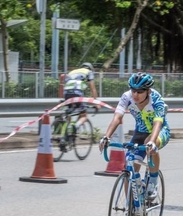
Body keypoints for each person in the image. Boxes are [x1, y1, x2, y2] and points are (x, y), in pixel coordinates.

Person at [99, 72, 170, 202]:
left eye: (140, 91)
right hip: (140, 133)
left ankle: (153, 181)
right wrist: (106, 137)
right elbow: (117, 117)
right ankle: (130, 207)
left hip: (159, 131)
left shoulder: (156, 99)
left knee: (150, 143)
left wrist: (152, 142)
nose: (135, 94)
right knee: (129, 167)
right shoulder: (126, 97)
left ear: (148, 91)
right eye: (133, 90)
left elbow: (158, 122)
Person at [60, 62, 99, 150]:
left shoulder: (72, 72)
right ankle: (75, 126)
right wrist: (96, 103)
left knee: (69, 115)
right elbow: (93, 88)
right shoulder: (88, 72)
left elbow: (64, 85)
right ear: (90, 69)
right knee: (83, 116)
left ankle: (64, 138)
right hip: (77, 93)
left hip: (67, 93)